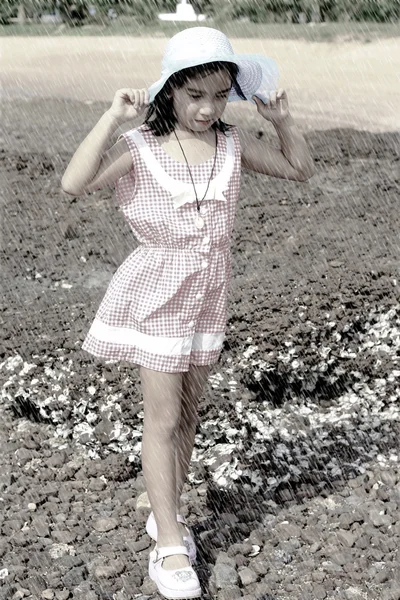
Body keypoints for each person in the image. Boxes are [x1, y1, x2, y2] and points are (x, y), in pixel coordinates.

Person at [61, 26, 315, 599]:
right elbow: (73, 184)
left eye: (221, 94)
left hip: (209, 291)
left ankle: (165, 506)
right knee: (164, 418)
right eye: (195, 94)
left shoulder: (231, 144)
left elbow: (300, 169)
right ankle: (170, 543)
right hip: (157, 293)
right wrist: (112, 118)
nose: (208, 108)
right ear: (171, 90)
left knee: (191, 412)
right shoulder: (141, 148)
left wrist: (281, 122)